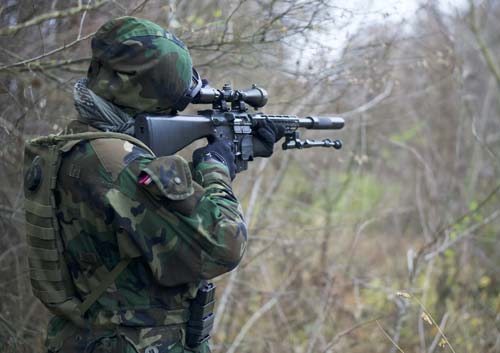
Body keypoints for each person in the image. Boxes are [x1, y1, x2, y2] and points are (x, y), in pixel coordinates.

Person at [25, 16, 283, 353]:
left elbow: (140, 226)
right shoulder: (118, 165)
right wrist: (217, 168)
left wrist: (229, 152)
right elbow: (223, 244)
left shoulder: (72, 147)